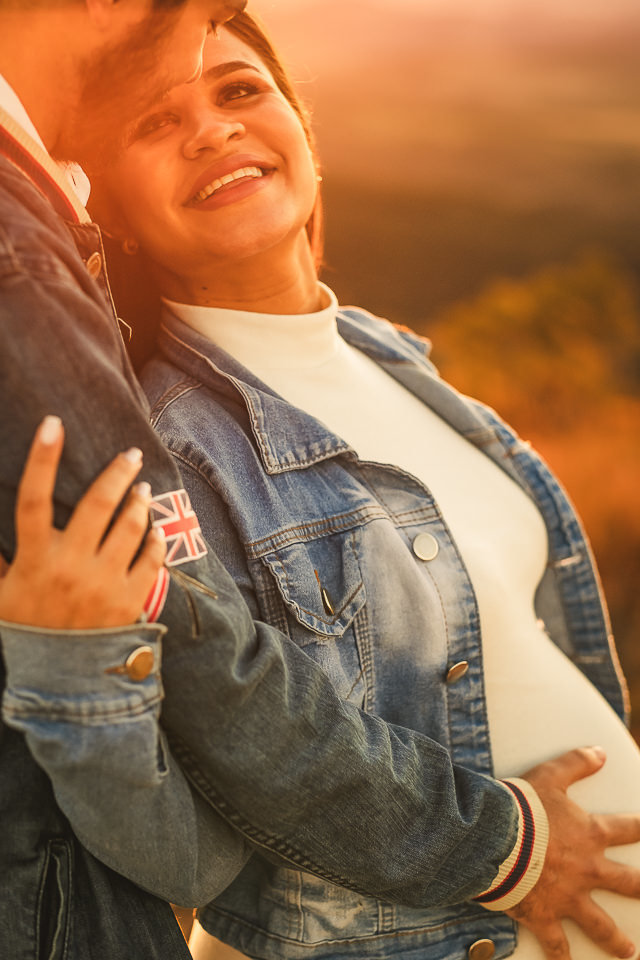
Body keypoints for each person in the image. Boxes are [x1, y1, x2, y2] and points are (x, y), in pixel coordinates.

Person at [3, 4, 625, 960]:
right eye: (157, 122)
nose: (211, 128)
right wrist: (70, 669)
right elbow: (188, 860)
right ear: (106, 206)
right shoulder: (161, 452)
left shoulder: (390, 359)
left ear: (303, 130)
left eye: (242, 91)